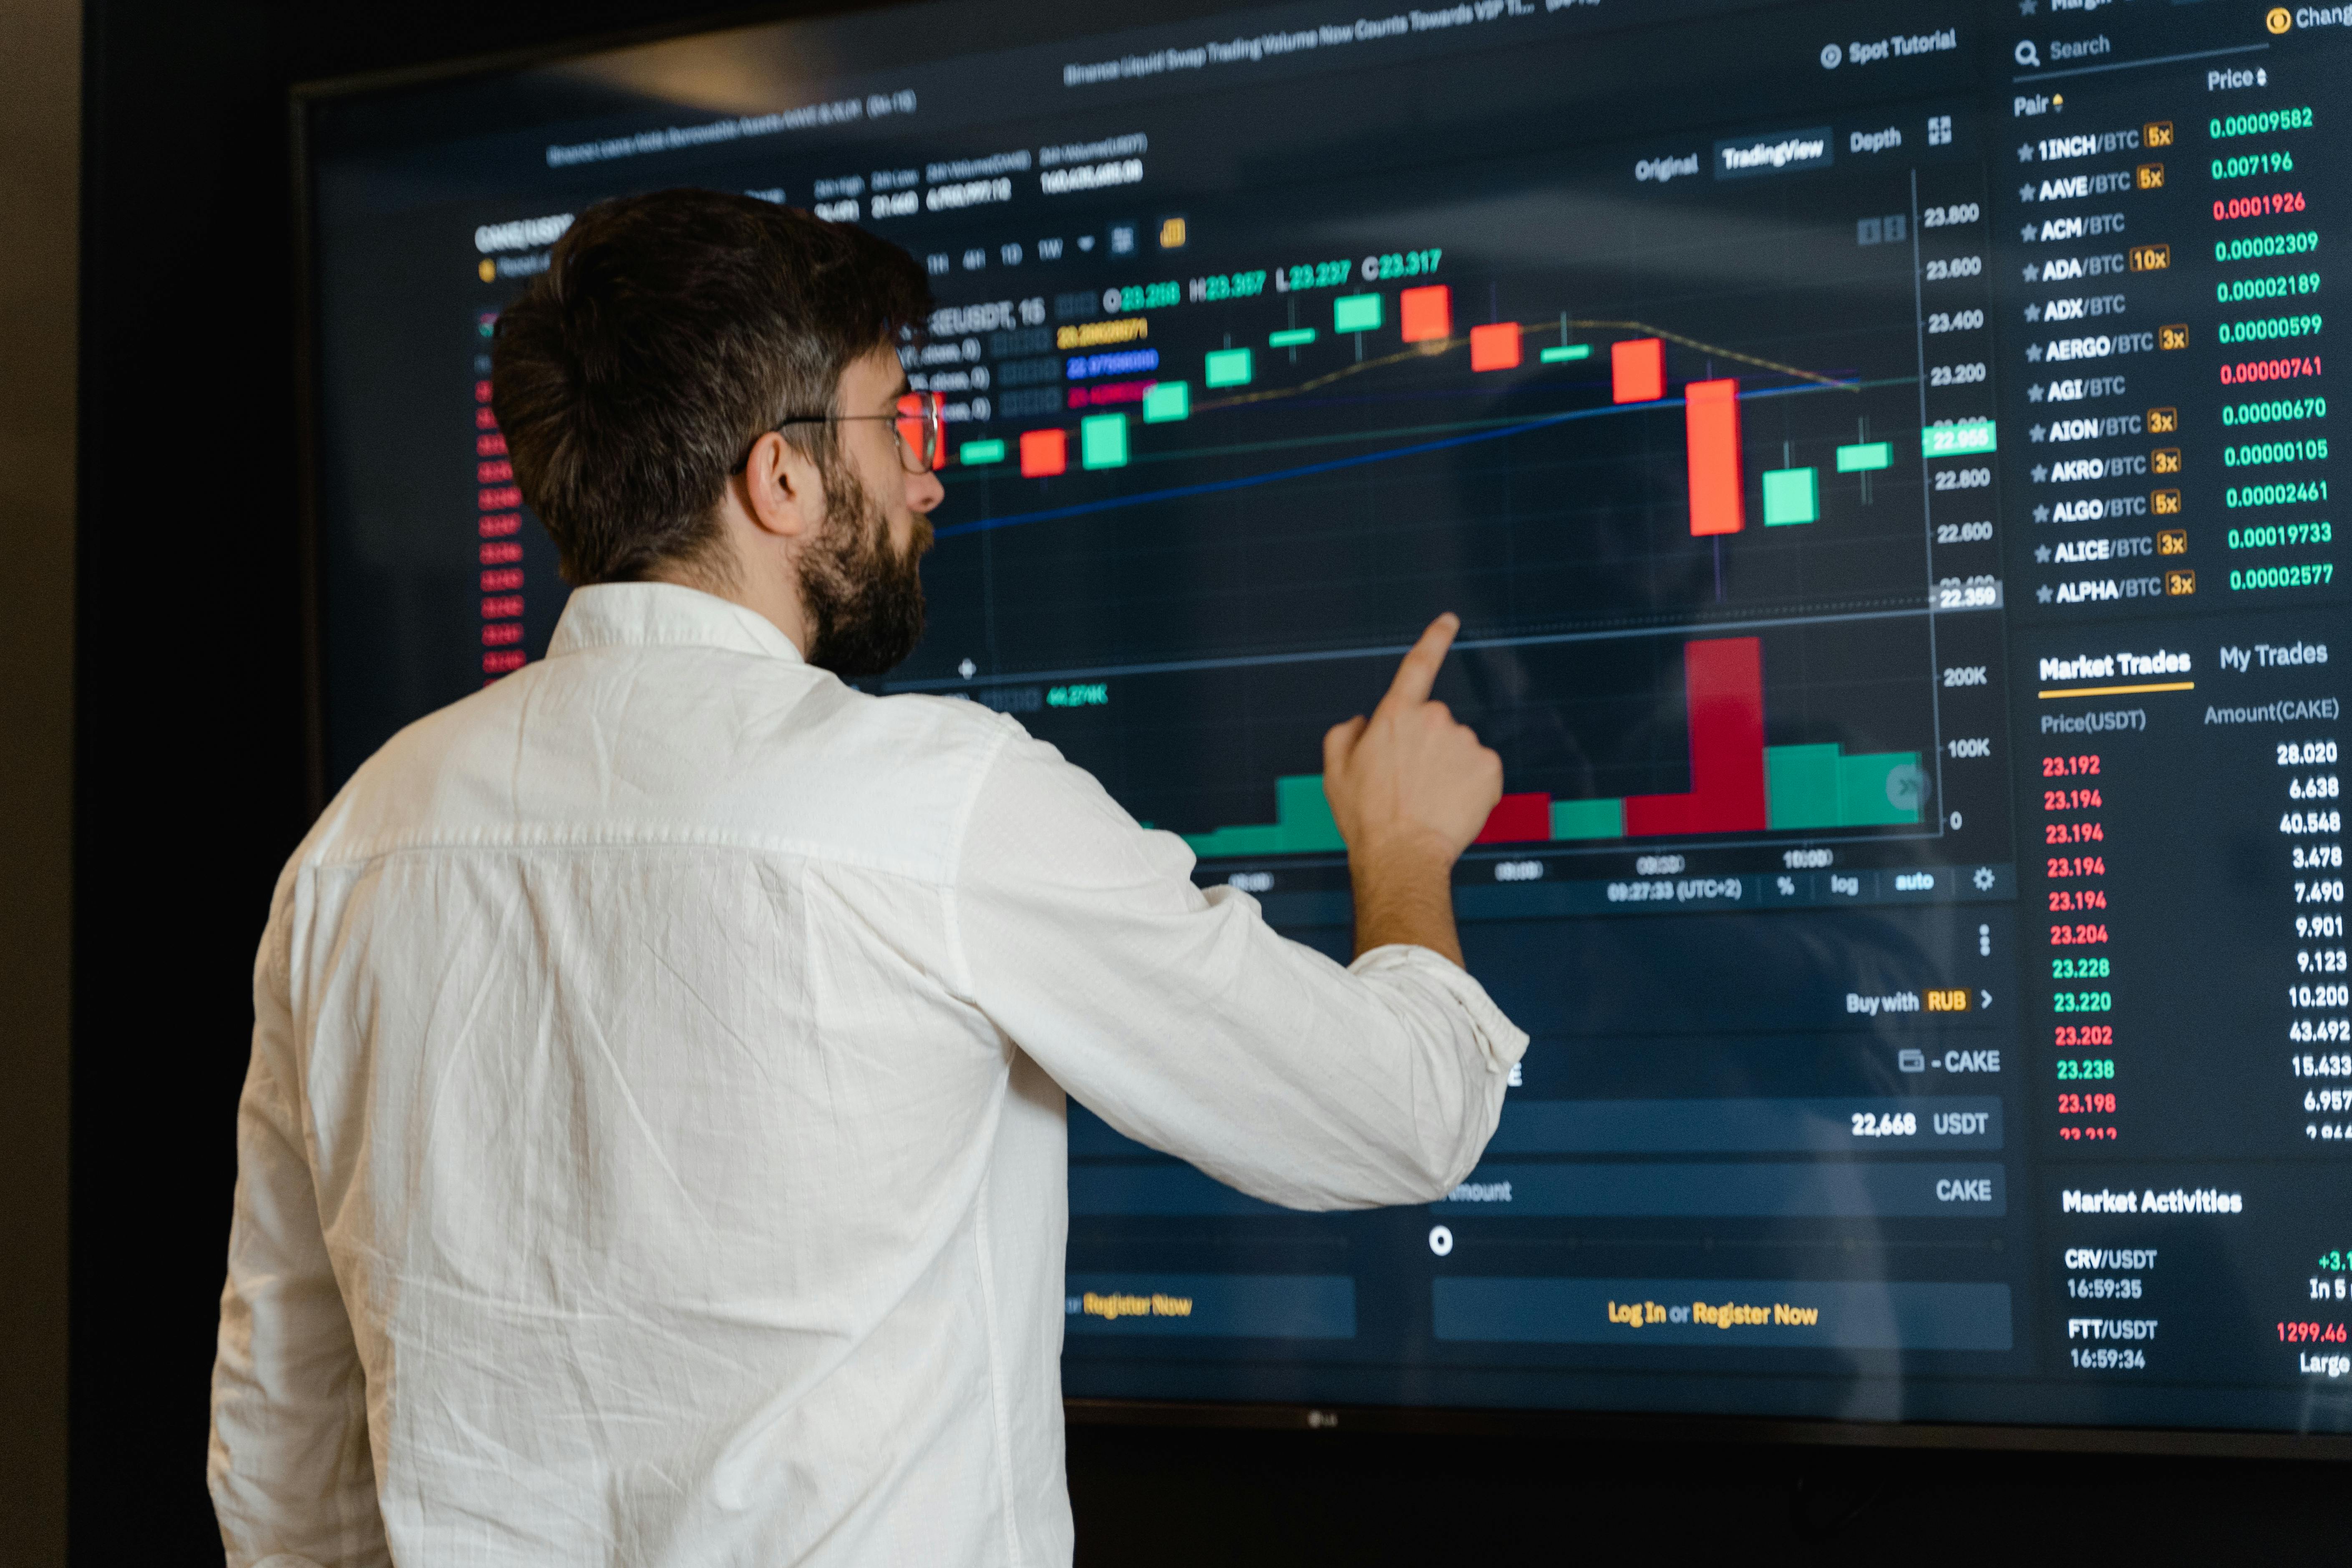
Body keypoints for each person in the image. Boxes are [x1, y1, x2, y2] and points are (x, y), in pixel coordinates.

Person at [209, 189, 1524, 1565]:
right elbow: (1401, 1114)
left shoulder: (355, 847)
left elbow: (286, 1443)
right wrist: (1404, 848)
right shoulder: (939, 804)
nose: (926, 478)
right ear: (778, 478)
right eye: (900, 422)